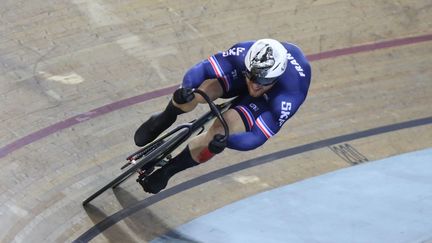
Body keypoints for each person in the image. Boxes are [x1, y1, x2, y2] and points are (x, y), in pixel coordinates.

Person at [134, 39, 311, 194]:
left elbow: (257, 137)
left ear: (276, 77)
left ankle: (167, 171)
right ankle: (165, 117)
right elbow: (202, 69)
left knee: (222, 129)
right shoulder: (243, 53)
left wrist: (226, 141)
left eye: (263, 81)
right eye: (253, 77)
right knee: (200, 91)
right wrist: (185, 90)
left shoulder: (289, 96)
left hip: (267, 100)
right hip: (240, 78)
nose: (255, 86)